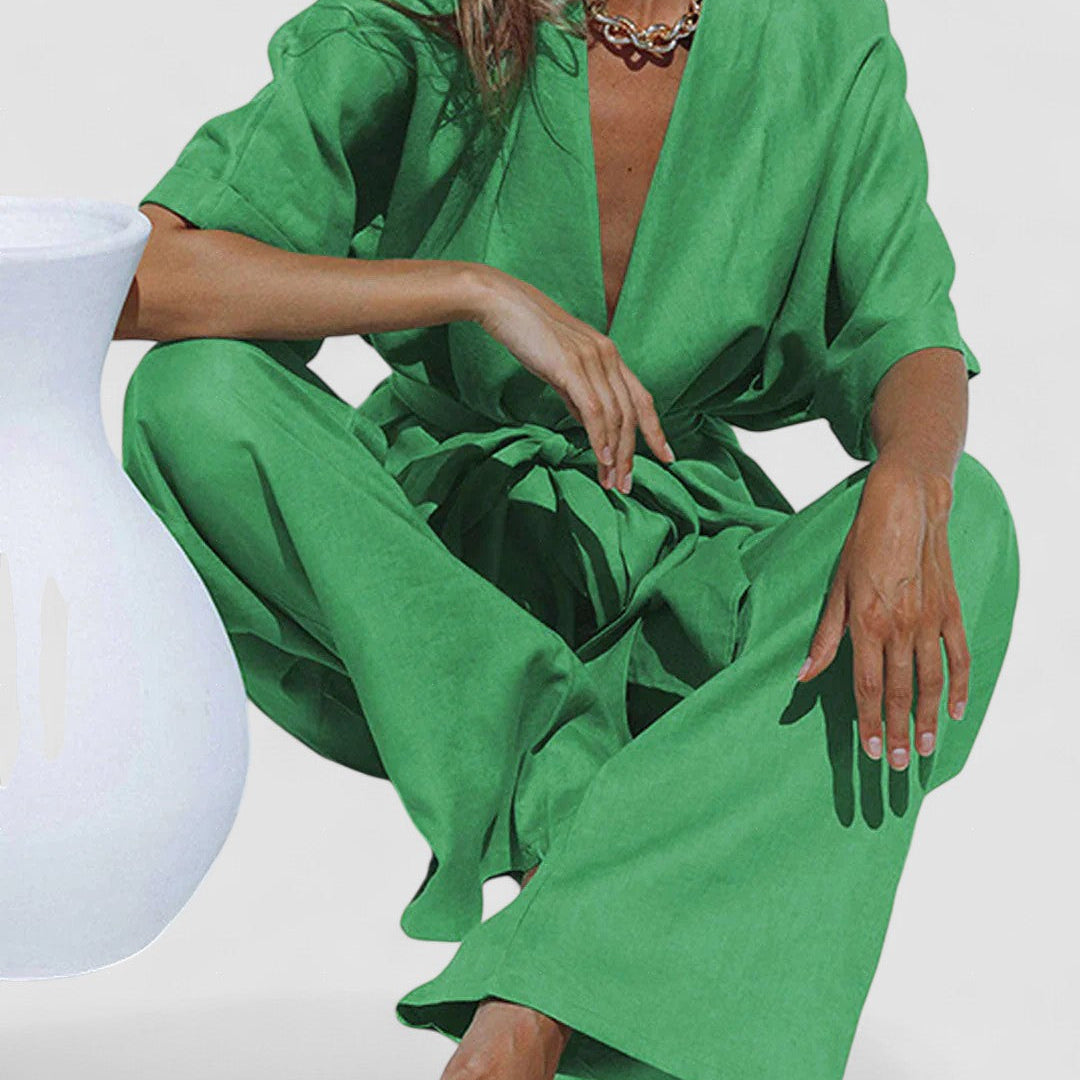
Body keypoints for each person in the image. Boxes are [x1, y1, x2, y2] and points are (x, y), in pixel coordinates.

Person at [115, 0, 1020, 1075]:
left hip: (679, 560)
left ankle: (542, 983)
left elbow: (905, 324)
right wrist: (472, 292)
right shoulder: (431, 16)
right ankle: (572, 812)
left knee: (967, 526)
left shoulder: (814, 30)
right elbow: (144, 277)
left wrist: (913, 475)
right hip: (435, 572)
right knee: (190, 396)